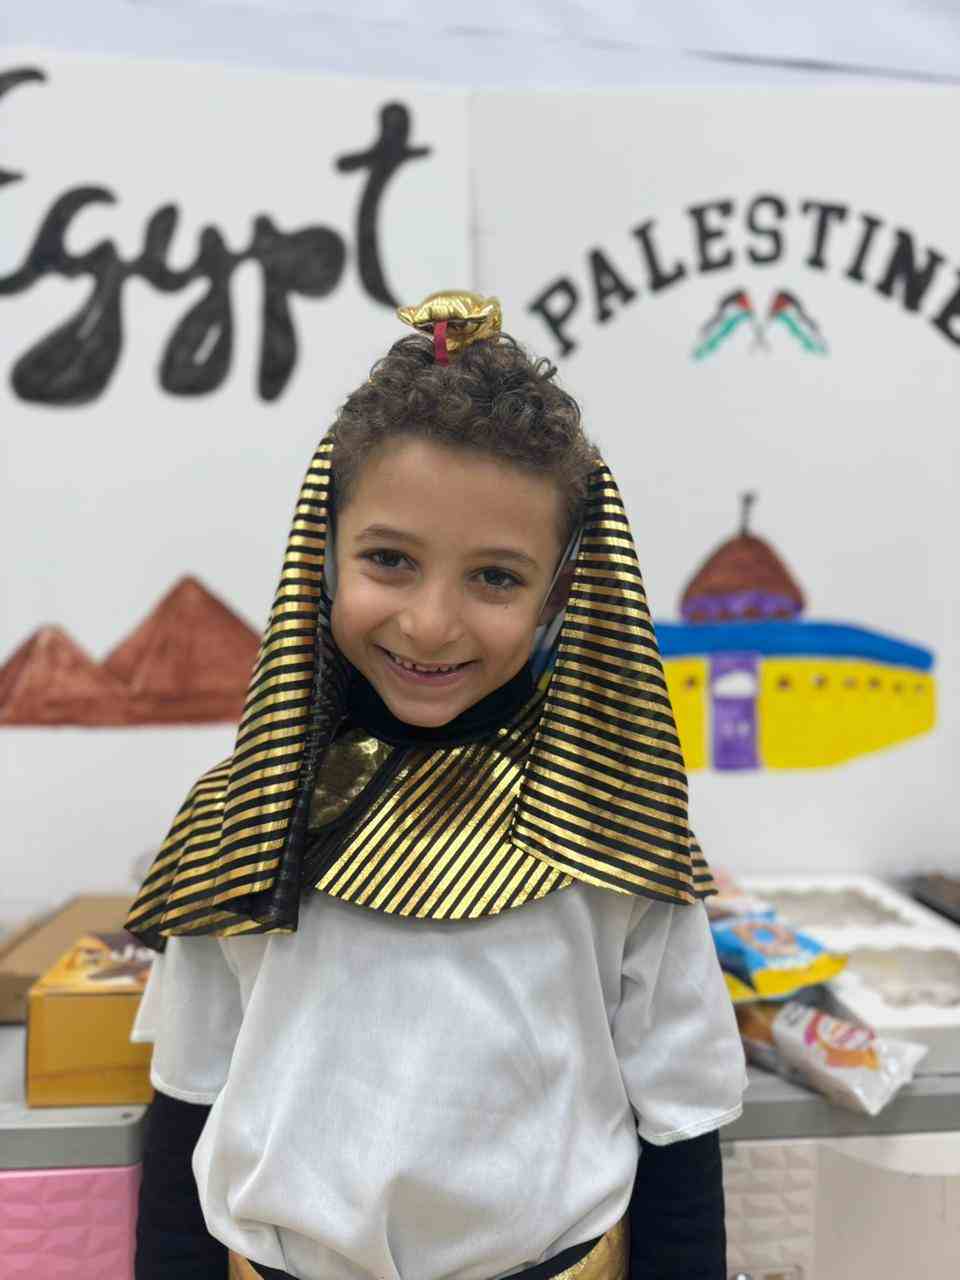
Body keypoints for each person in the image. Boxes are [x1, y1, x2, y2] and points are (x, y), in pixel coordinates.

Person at [129, 291, 747, 1280]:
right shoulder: (244, 816)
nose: (429, 622)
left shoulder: (612, 822)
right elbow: (189, 1094)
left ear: (560, 591)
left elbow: (680, 1117)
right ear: (324, 552)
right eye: (389, 559)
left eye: (495, 577)